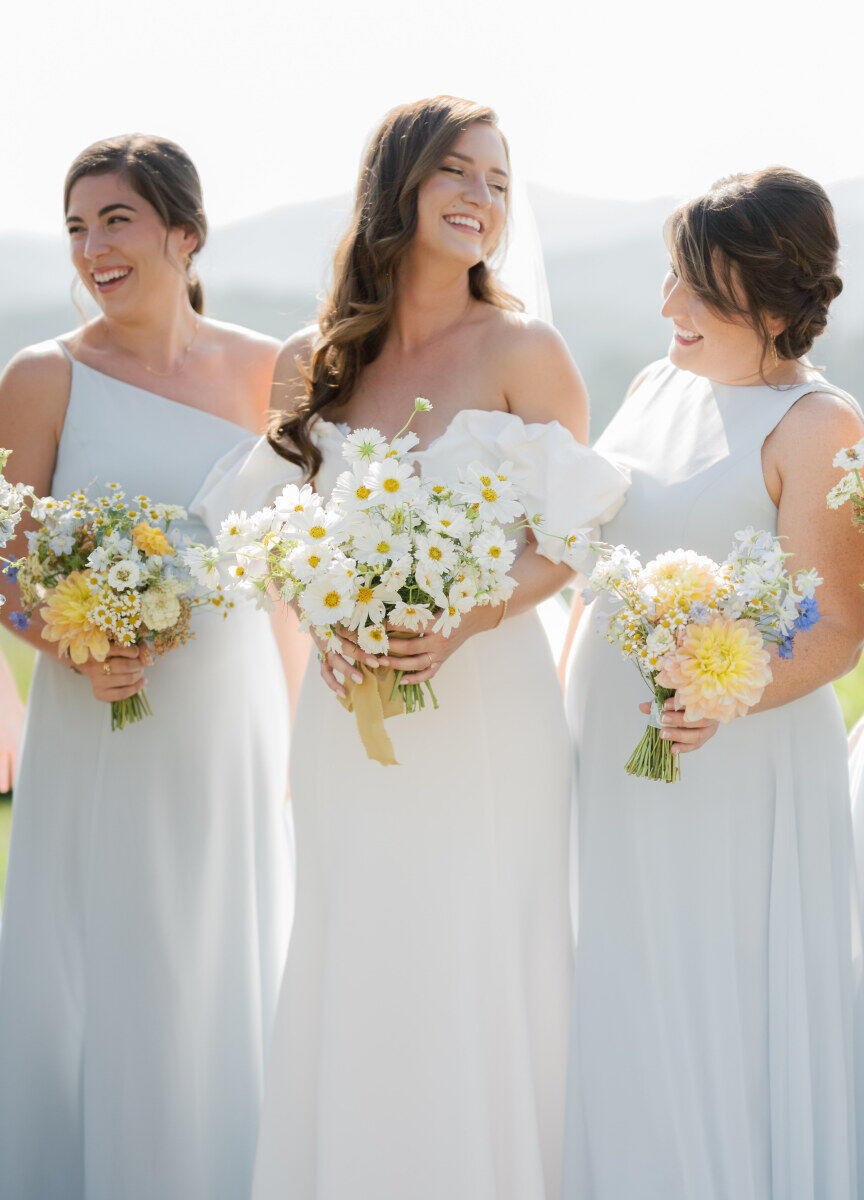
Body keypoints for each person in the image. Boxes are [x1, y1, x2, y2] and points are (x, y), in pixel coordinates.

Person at [194, 95, 628, 1200]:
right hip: (349, 717)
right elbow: (280, 535)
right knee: (360, 941)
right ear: (401, 183)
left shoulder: (528, 349)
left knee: (477, 946)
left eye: (497, 180)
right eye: (459, 173)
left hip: (488, 711)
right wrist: (329, 615)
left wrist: (469, 615)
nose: (483, 198)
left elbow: (575, 536)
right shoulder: (314, 358)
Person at [0, 134, 295, 1200]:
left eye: (115, 220)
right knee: (111, 953)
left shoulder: (277, 370)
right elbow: (5, 565)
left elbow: (294, 569)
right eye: (76, 228)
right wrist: (73, 644)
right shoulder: (42, 377)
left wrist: (306, 734)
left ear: (185, 232)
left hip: (235, 720)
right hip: (97, 716)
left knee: (219, 949)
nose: (91, 248)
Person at [560, 167, 864, 1199]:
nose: (665, 307)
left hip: (732, 764)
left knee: (714, 988)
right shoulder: (655, 384)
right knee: (622, 978)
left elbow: (836, 627)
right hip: (614, 744)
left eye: (694, 284)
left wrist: (716, 699)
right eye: (669, 278)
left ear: (771, 296)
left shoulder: (819, 426)